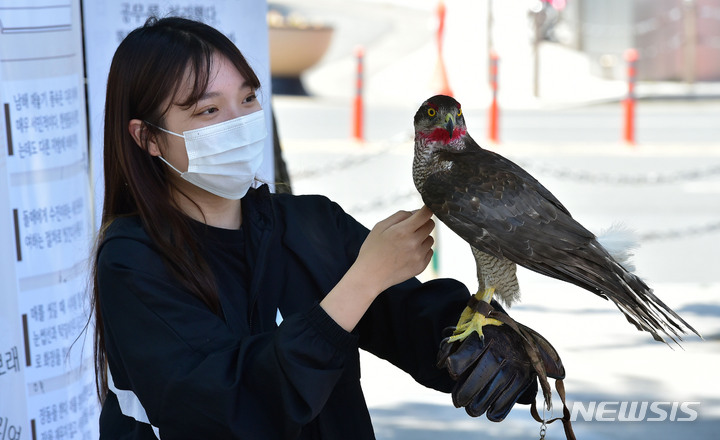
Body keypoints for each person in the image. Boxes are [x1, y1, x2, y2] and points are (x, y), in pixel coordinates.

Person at [92, 16, 547, 439]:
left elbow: (411, 319)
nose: (239, 123)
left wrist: (494, 343)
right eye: (209, 111)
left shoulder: (309, 225)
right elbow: (227, 407)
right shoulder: (132, 261)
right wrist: (362, 282)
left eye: (248, 98)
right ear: (147, 137)